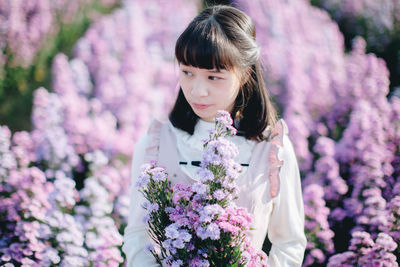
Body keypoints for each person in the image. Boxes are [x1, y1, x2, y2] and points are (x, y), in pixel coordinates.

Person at [122, 5, 306, 267]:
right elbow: (138, 236)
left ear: (245, 75)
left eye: (213, 77)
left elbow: (289, 243)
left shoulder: (272, 148)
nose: (197, 91)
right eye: (187, 72)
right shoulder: (156, 142)